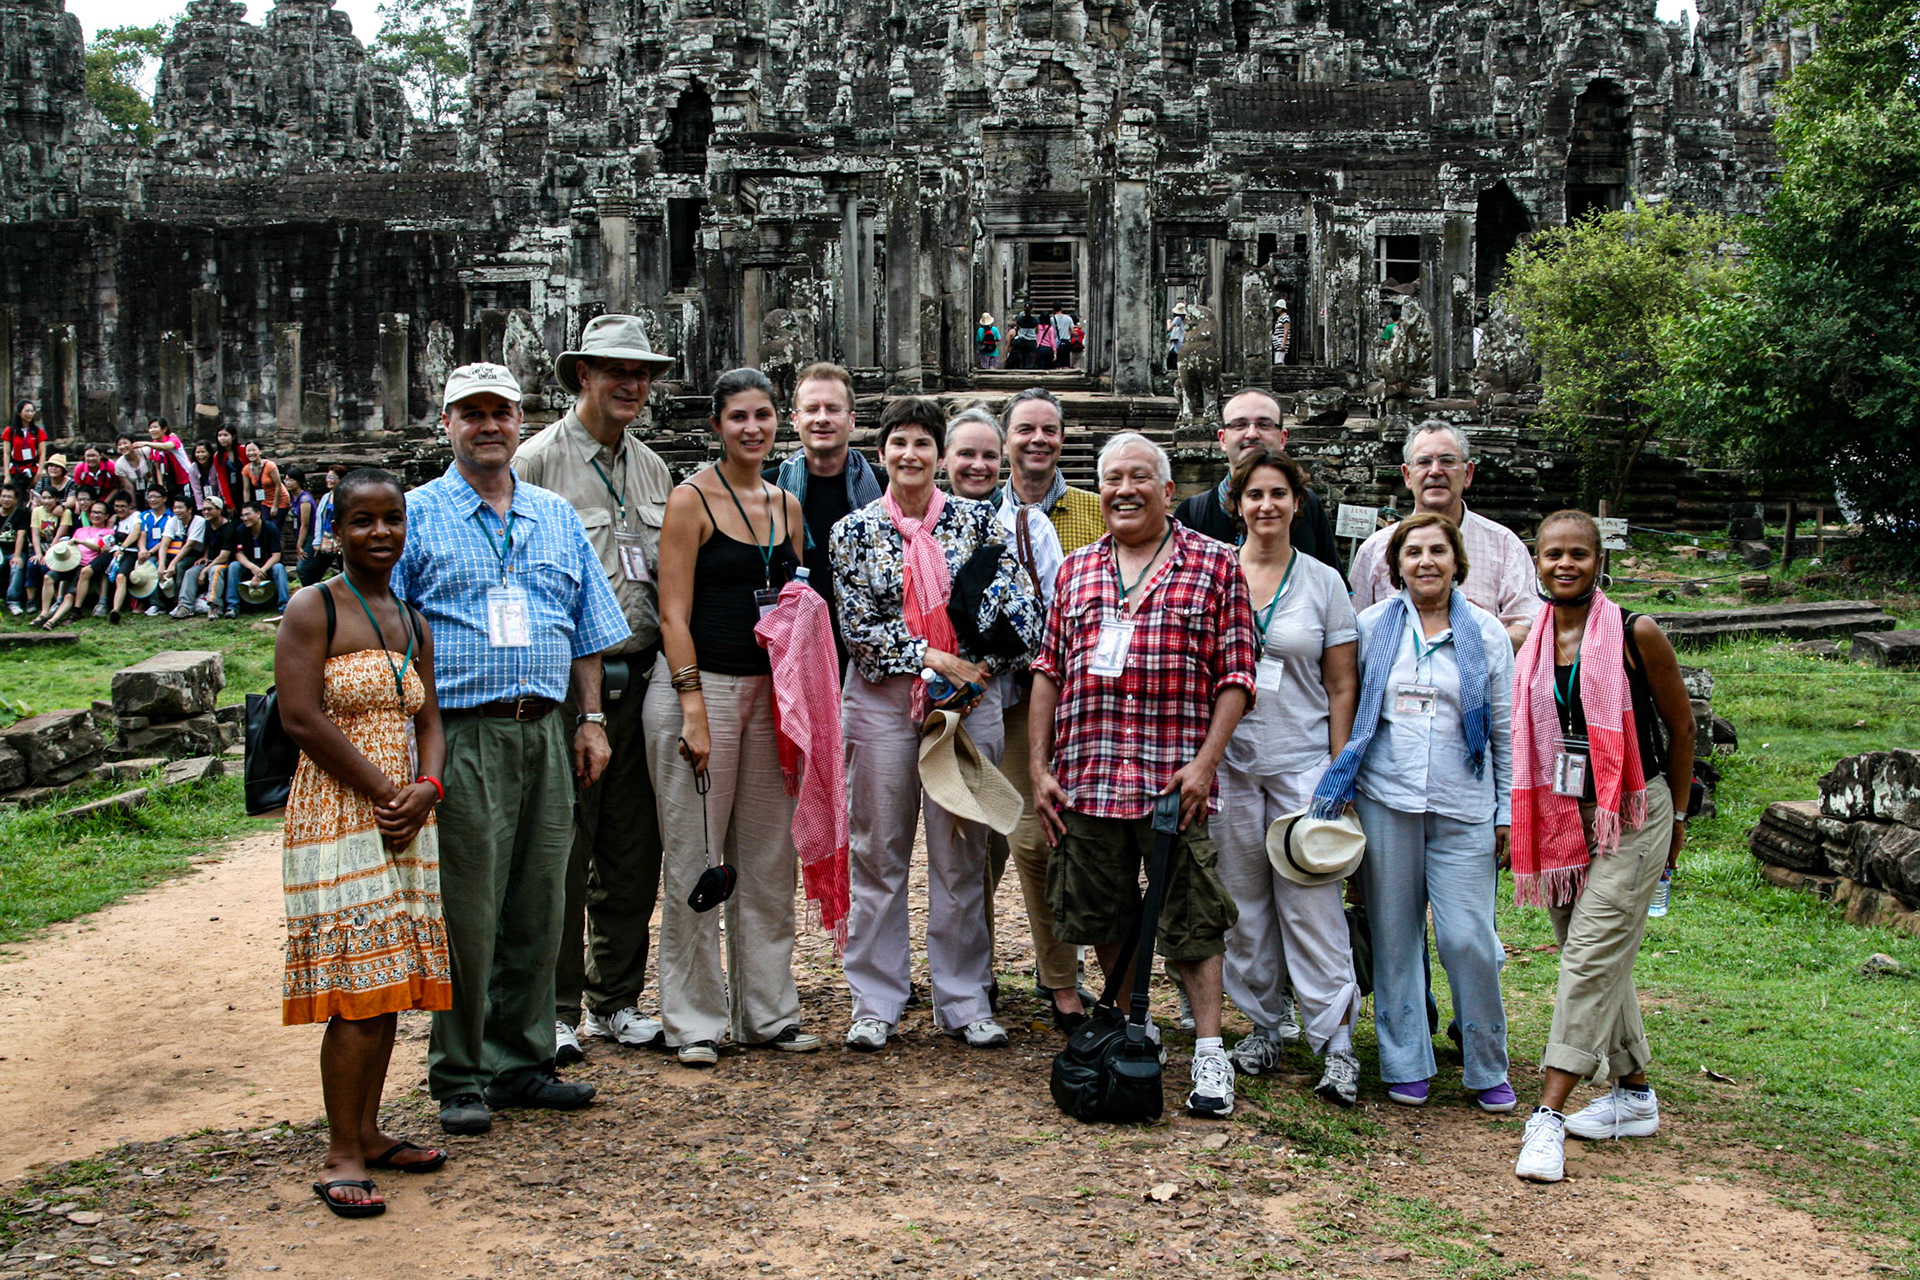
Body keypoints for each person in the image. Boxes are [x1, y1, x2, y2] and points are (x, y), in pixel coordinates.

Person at [389, 362, 629, 1138]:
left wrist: (591, 720)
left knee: (540, 899)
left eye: (501, 412)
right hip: (461, 730)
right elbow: (386, 633)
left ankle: (523, 1059)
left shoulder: (554, 516)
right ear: (447, 424)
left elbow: (587, 628)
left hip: (547, 727)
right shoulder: (416, 516)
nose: (488, 425)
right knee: (468, 908)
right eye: (472, 413)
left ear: (521, 420)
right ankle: (460, 1072)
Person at [1028, 432, 1257, 1118]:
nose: (1123, 490)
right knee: (1103, 909)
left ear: (1165, 490)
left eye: (1138, 478)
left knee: (1192, 920)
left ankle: (1211, 1054)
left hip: (1171, 781)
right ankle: (1137, 1025)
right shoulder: (1076, 570)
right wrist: (1039, 769)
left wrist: (1205, 764)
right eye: (1112, 480)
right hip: (1088, 775)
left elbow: (1237, 676)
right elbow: (1048, 671)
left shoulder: (1216, 564)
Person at [830, 397, 1043, 1053]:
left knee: (961, 853)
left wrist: (972, 666)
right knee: (879, 853)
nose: (910, 455)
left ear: (940, 455)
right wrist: (929, 656)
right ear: (883, 451)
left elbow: (1021, 616)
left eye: (923, 443)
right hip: (883, 701)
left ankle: (963, 996)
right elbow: (860, 631)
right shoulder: (855, 532)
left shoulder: (982, 525)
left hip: (966, 703)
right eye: (899, 442)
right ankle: (876, 999)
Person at [274, 467, 450, 1219]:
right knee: (357, 989)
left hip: (406, 814)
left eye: (392, 520)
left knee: (389, 981)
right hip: (342, 814)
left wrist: (427, 788)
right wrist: (386, 789)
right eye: (363, 522)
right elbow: (302, 718)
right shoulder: (313, 608)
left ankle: (371, 1133)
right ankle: (342, 1150)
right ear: (336, 530)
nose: (380, 534)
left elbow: (432, 721)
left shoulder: (411, 618)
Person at [1511, 511, 1698, 1183]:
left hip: (1635, 810)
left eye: (1579, 555)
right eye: (1553, 555)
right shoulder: (1531, 637)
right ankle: (1635, 1092)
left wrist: (1676, 818)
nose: (1566, 565)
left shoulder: (1633, 632)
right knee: (1591, 955)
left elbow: (1681, 730)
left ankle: (1548, 1117)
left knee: (1588, 958)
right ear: (1536, 562)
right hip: (1565, 815)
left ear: (1600, 560)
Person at [514, 313, 676, 1062]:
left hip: (643, 678)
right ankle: (554, 1006)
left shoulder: (652, 468)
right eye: (617, 370)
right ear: (582, 374)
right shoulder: (537, 461)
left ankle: (616, 998)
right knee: (562, 850)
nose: (631, 384)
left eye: (641, 373)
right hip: (569, 683)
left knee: (632, 850)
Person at [1315, 512, 1516, 1111]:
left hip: (1465, 808)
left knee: (1468, 939)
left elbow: (1504, 731)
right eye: (1413, 552)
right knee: (1396, 937)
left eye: (1438, 551)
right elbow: (1348, 711)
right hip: (1387, 802)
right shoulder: (1371, 626)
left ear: (1457, 560)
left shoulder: (1485, 633)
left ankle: (1486, 1061)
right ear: (1395, 564)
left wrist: (1506, 811)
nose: (1425, 561)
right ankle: (1405, 1060)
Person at [646, 368, 815, 1066]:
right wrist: (691, 706)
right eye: (738, 416)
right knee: (695, 855)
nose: (753, 428)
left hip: (770, 693)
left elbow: (795, 605)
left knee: (769, 860)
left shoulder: (788, 504)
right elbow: (672, 610)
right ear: (716, 425)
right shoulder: (692, 501)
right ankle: (694, 1019)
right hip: (702, 688)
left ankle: (767, 1011)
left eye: (764, 416)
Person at [1210, 446, 1363, 1102]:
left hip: (1303, 764)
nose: (1266, 505)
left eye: (1278, 494)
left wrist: (1338, 770)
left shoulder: (1324, 581)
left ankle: (1336, 1044)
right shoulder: (1216, 573)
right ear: (1236, 505)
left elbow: (1340, 685)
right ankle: (1265, 1024)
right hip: (1232, 764)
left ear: (1298, 504)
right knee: (1243, 905)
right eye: (1254, 495)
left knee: (1312, 905)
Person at [942, 406, 1080, 1025]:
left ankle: (1059, 980)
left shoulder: (1028, 525)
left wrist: (1001, 658)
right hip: (949, 706)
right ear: (946, 460)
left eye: (985, 455)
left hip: (1021, 700)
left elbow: (1054, 618)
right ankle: (974, 977)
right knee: (970, 847)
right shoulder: (928, 523)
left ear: (1000, 460)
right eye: (963, 455)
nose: (976, 466)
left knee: (1033, 840)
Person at [1348, 420, 1536, 650]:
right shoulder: (1375, 549)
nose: (1435, 471)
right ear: (1407, 475)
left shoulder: (1505, 546)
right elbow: (1352, 634)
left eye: (1447, 461)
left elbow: (1529, 631)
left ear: (1468, 473)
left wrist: (1478, 630)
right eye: (1424, 462)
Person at [767, 362, 884, 673]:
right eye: (811, 409)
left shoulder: (885, 490)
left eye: (833, 409)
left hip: (870, 653)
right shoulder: (767, 491)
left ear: (851, 420)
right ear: (794, 419)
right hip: (792, 651)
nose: (821, 419)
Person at [1174, 388, 1342, 568]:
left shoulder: (1307, 505)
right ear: (1223, 439)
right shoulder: (1192, 514)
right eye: (1239, 425)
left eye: (1264, 425)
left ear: (1282, 438)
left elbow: (1332, 585)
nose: (1252, 434)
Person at [1001, 388, 1104, 554]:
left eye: (1049, 430)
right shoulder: (986, 516)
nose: (1039, 439)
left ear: (1061, 439)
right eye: (1025, 429)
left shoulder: (1101, 513)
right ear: (1005, 441)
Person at [39, 499, 114, 630]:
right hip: (70, 563)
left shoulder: (108, 532)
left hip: (86, 565)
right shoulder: (80, 530)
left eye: (99, 513)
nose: (95, 515)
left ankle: (54, 620)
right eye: (93, 512)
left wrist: (81, 542)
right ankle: (44, 613)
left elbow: (101, 549)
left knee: (69, 595)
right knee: (48, 577)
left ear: (106, 516)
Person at [107, 486, 171, 621]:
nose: (152, 500)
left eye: (156, 497)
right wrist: (142, 549)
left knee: (152, 566)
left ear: (164, 499)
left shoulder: (170, 516)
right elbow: (142, 534)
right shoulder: (145, 515)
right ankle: (138, 603)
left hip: (164, 551)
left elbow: (166, 539)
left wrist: (150, 552)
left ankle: (156, 604)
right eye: (150, 497)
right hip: (144, 552)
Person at [225, 500, 290, 617]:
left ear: (258, 514)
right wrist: (253, 567)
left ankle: (285, 606)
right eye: (243, 515)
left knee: (279, 568)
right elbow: (239, 554)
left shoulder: (271, 528)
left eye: (248, 514)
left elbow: (276, 555)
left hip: (267, 567)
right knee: (234, 566)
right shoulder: (241, 529)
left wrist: (261, 571)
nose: (245, 518)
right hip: (250, 566)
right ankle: (232, 607)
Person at [175, 494, 236, 618]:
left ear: (219, 510)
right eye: (204, 509)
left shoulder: (229, 527)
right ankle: (185, 606)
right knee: (191, 572)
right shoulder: (207, 524)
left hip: (225, 562)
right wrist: (205, 556)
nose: (206, 512)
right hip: (210, 560)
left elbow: (224, 556)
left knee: (215, 570)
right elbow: (208, 543)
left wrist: (205, 570)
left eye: (209, 509)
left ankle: (214, 606)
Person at [22, 488, 72, 626]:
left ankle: (55, 599)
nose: (47, 501)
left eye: (50, 498)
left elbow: (59, 535)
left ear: (56, 499)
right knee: (32, 564)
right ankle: (31, 600)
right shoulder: (37, 511)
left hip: (56, 548)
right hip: (40, 546)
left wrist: (47, 554)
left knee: (46, 567)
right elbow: (35, 535)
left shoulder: (65, 512)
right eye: (44, 498)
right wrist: (38, 553)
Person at [155, 493, 206, 613]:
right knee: (158, 564)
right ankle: (157, 604)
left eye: (180, 507)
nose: (177, 510)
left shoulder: (199, 521)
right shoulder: (172, 521)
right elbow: (164, 543)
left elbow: (189, 545)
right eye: (175, 507)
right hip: (176, 552)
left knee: (180, 566)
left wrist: (173, 563)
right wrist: (162, 563)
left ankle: (178, 603)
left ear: (189, 509)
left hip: (194, 554)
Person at [144, 418, 193, 501]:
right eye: (150, 428)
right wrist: (161, 485)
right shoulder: (154, 446)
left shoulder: (173, 439)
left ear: (164, 429)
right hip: (169, 481)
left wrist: (145, 443)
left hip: (185, 478)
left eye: (155, 427)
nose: (152, 430)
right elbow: (157, 467)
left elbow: (165, 446)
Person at [285, 468, 320, 582]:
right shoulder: (293, 497)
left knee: (302, 568)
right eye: (286, 480)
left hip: (309, 536)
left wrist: (299, 546)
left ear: (299, 481)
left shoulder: (305, 500)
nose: (288, 483)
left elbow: (305, 525)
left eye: (291, 480)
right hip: (300, 536)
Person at [242, 441, 290, 522]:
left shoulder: (270, 466)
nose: (251, 453)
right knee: (264, 526)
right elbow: (246, 490)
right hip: (265, 501)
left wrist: (275, 505)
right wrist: (247, 508)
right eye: (248, 451)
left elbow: (278, 485)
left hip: (280, 500)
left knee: (275, 527)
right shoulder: (246, 469)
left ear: (260, 451)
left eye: (253, 450)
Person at [4, 401, 47, 487]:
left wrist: (39, 473)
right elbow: (7, 453)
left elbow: (42, 453)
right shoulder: (10, 431)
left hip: (33, 468)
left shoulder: (38, 431)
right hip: (16, 469)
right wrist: (7, 475)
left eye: (32, 411)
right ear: (19, 412)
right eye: (27, 411)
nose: (30, 414)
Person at [1, 484, 30, 615]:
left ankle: (13, 602)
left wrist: (17, 555)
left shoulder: (22, 514)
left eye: (9, 497)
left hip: (14, 551)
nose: (6, 499)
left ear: (16, 499)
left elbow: (21, 535)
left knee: (16, 567)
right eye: (3, 496)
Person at [70, 446, 120, 511]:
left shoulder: (110, 466)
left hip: (108, 500)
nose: (91, 459)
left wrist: (103, 504)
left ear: (100, 456)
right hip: (88, 502)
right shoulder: (80, 468)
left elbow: (117, 487)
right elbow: (80, 489)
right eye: (88, 456)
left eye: (93, 455)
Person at [210, 427, 246, 511]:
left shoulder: (243, 450)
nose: (222, 438)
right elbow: (222, 479)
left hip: (247, 489)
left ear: (233, 436)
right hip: (232, 492)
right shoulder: (218, 456)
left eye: (225, 435)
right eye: (219, 435)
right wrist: (229, 502)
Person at [1008, 306, 1040, 371]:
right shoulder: (1035, 320)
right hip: (1031, 341)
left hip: (1022, 341)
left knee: (1022, 360)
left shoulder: (1019, 319)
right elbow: (1037, 331)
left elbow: (1017, 329)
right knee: (1030, 360)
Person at [1049, 304, 1074, 369]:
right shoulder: (1068, 318)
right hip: (1066, 342)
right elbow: (1072, 331)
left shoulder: (1051, 319)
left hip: (1056, 343)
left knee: (1056, 365)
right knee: (1066, 363)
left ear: (1053, 309)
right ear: (1061, 308)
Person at [1165, 302, 1187, 371]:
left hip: (1177, 343)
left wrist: (1168, 322)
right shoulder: (1182, 320)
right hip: (1180, 341)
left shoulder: (1177, 318)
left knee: (1171, 360)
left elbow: (1169, 329)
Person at [1271, 299, 1292, 366]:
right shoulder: (1279, 318)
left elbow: (1286, 331)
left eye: (1278, 308)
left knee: (1279, 362)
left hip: (1281, 342)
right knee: (1278, 361)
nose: (1276, 309)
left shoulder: (1285, 317)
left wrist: (1284, 343)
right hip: (1277, 342)